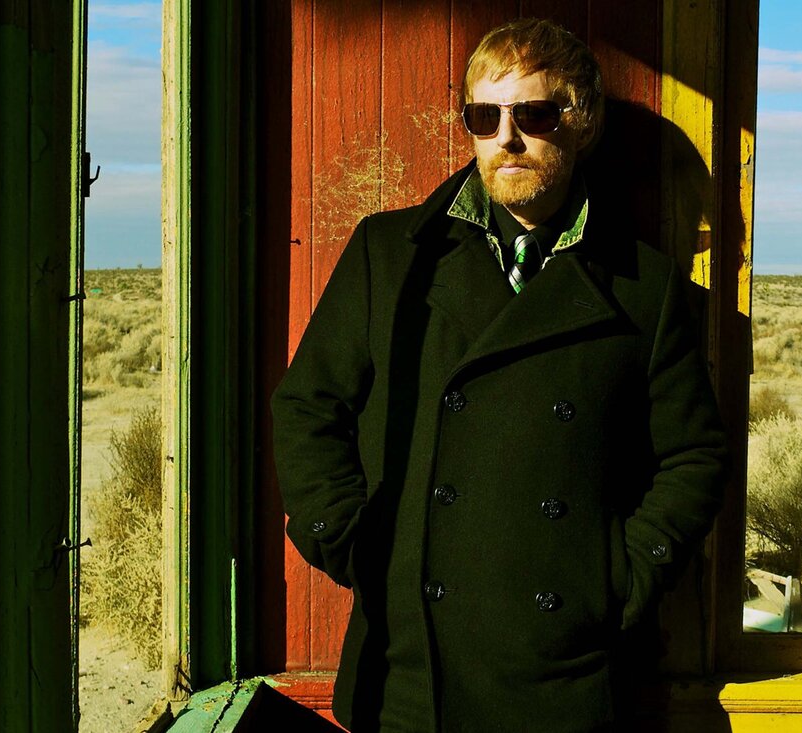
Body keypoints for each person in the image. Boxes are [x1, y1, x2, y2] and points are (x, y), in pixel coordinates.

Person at [272, 17, 728, 732]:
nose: (506, 137)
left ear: (583, 123)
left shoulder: (646, 289)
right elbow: (307, 407)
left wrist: (618, 576)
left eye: (534, 114)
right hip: (414, 673)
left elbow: (695, 454)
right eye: (485, 117)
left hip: (563, 676)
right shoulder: (390, 256)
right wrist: (355, 544)